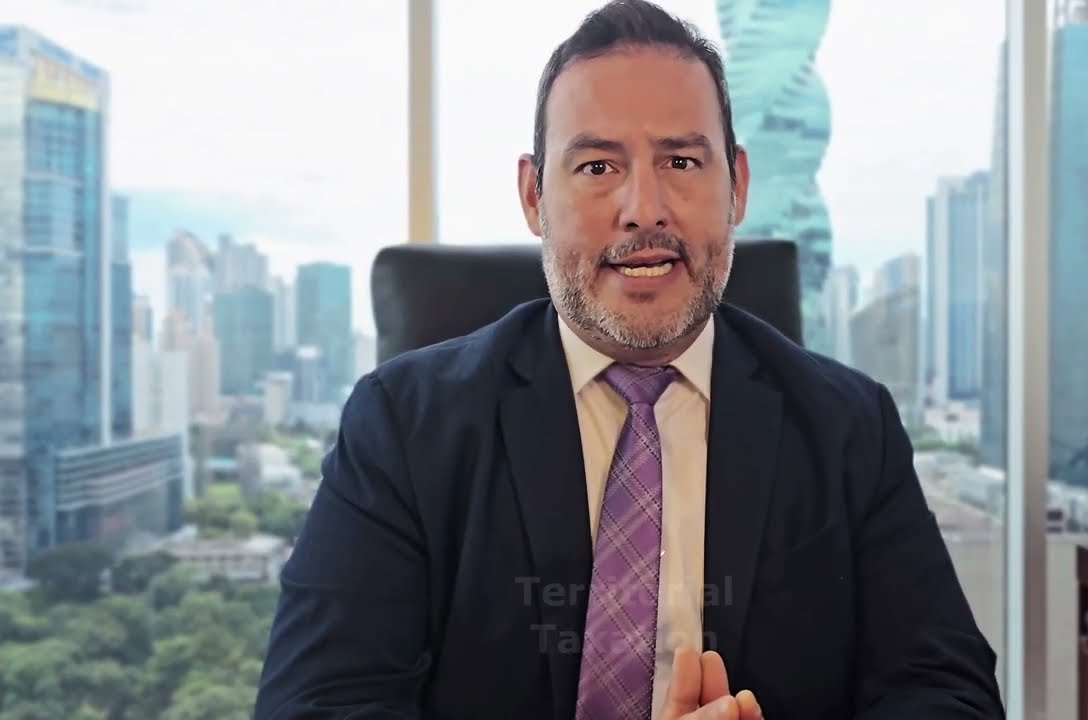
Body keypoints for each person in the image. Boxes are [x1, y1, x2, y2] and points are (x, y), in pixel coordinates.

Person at [254, 1, 1004, 718]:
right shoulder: (403, 426)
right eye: (597, 167)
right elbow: (318, 704)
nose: (644, 208)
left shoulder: (850, 427)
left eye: (681, 160)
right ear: (532, 195)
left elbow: (946, 690)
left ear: (736, 186)